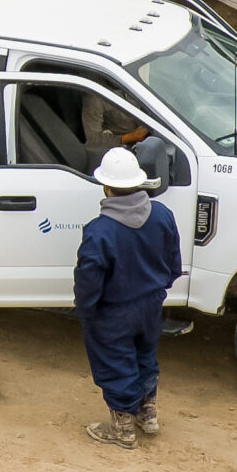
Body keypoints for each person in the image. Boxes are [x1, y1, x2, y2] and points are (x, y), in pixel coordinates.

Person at [72, 147, 180, 449]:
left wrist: (87, 310)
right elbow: (173, 261)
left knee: (115, 362)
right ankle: (147, 414)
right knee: (144, 356)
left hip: (113, 311)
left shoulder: (100, 230)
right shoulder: (162, 215)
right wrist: (159, 287)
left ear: (106, 187)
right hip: (151, 305)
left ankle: (123, 429)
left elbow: (89, 279)